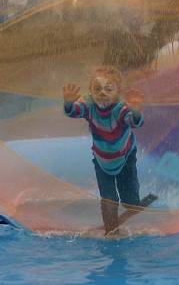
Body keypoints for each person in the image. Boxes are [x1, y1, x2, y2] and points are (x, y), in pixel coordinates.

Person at [63, 66, 144, 235]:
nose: (102, 93)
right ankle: (111, 233)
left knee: (130, 201)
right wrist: (69, 103)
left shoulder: (120, 109)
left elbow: (134, 122)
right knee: (108, 199)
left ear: (117, 92)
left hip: (125, 156)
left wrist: (135, 111)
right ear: (90, 91)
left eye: (109, 89)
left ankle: (133, 202)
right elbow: (74, 112)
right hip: (102, 160)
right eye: (97, 88)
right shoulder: (89, 106)